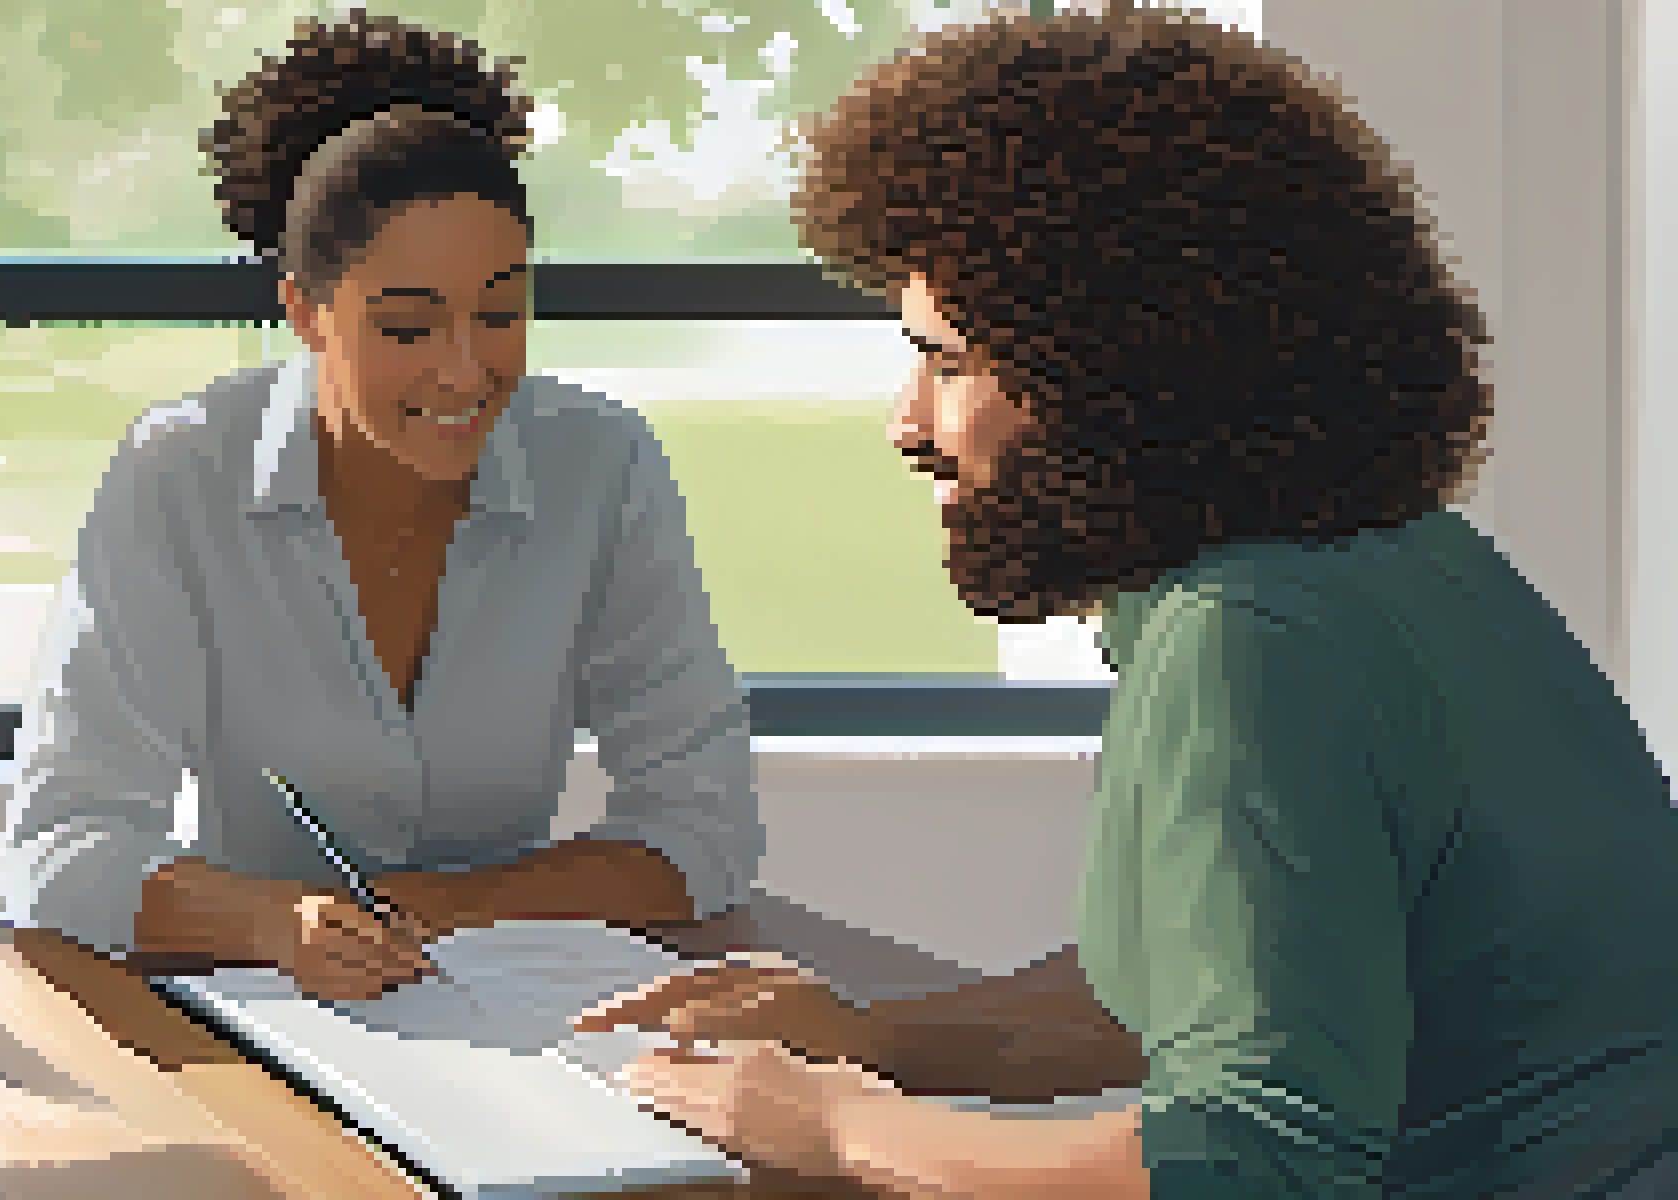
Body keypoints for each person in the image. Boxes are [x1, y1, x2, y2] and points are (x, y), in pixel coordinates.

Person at [578, 6, 1678, 1197]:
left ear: (1114, 373)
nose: (909, 424)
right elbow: (1209, 989)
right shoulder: (1383, 562)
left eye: (948, 363)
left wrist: (845, 1131)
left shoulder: (1250, 641)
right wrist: (875, 1036)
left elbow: (1256, 1164)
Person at [0, 9, 762, 1006]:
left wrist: (451, 905)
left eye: (501, 314)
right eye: (407, 327)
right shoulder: (179, 470)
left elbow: (705, 829)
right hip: (257, 1007)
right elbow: (58, 850)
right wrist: (271, 922)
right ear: (306, 313)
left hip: (514, 1006)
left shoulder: (603, 465)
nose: (466, 371)